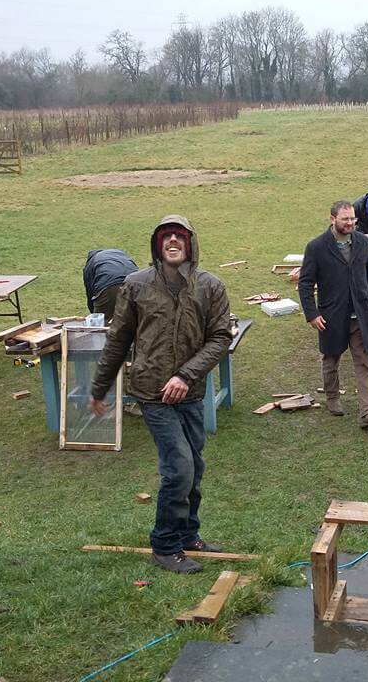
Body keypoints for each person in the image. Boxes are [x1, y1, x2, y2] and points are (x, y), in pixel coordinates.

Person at [89, 216, 232, 574]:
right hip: (152, 392)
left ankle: (187, 534)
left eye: (179, 236)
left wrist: (186, 374)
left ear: (189, 244)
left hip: (191, 391)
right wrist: (99, 387)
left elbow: (220, 338)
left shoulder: (210, 286)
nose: (172, 241)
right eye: (165, 236)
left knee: (195, 467)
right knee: (179, 468)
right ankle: (165, 545)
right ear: (157, 245)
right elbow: (119, 339)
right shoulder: (136, 285)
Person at [298, 201, 368, 429]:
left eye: (353, 219)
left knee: (365, 362)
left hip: (361, 314)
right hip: (332, 316)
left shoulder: (362, 241)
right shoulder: (316, 247)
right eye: (345, 219)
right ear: (332, 219)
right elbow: (306, 283)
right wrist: (312, 314)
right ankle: (332, 397)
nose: (350, 223)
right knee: (331, 359)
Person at [83, 249, 138, 320]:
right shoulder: (121, 254)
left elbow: (90, 292)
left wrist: (95, 315)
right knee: (134, 319)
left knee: (101, 324)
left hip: (109, 286)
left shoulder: (91, 262)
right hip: (135, 283)